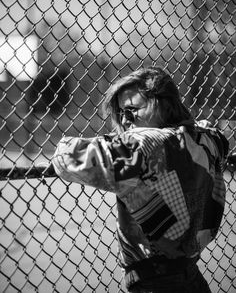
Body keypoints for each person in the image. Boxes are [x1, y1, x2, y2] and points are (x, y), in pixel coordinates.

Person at [52, 66, 229, 293]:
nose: (125, 121)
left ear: (163, 104)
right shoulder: (206, 140)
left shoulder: (143, 147)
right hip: (191, 274)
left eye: (132, 110)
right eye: (120, 114)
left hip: (153, 281)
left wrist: (122, 140)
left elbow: (67, 157)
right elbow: (216, 134)